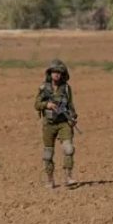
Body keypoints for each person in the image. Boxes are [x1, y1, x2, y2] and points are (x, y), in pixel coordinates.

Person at [33, 60, 78, 188]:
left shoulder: (66, 88)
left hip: (63, 122)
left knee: (68, 149)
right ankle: (50, 179)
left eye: (59, 72)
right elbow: (36, 104)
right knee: (48, 153)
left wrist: (73, 117)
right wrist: (47, 104)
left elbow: (70, 105)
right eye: (54, 72)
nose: (56, 75)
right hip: (49, 124)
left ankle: (68, 177)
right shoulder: (43, 88)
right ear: (50, 73)